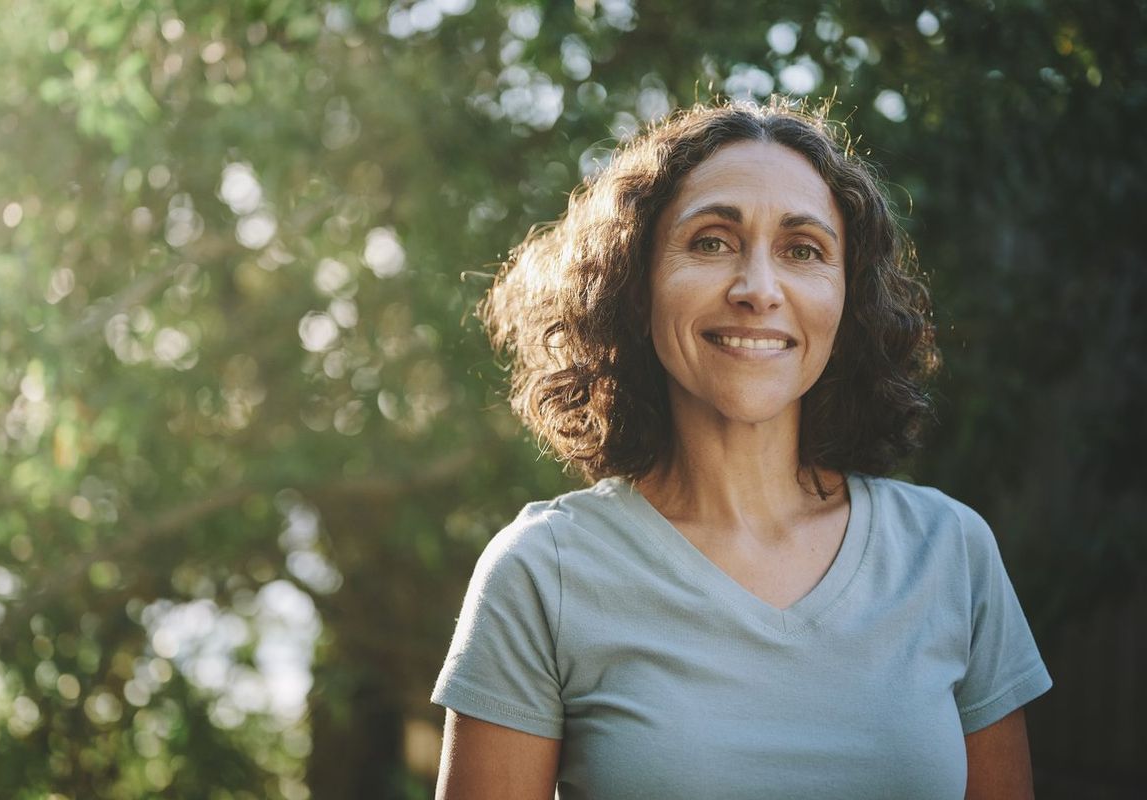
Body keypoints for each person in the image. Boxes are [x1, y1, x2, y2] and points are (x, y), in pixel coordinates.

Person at [431, 100, 1051, 799]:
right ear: (636, 288)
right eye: (711, 242)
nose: (758, 289)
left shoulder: (950, 554)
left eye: (803, 251)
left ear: (848, 299)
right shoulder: (544, 574)